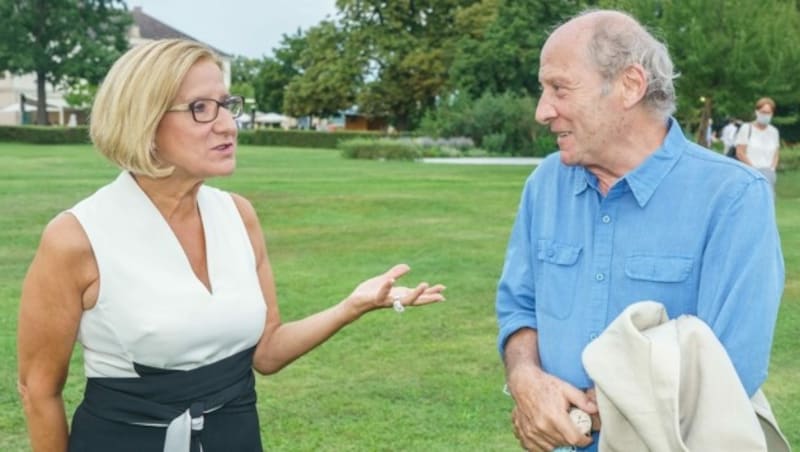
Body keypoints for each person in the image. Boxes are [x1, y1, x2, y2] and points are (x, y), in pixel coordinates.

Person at [17, 39, 446, 452]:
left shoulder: (239, 215)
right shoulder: (78, 237)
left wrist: (353, 305)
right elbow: (38, 391)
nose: (227, 124)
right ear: (143, 121)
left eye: (227, 105)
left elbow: (268, 351)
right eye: (201, 109)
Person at [495, 9, 783, 452]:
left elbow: (731, 365)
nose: (542, 111)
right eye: (542, 90)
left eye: (559, 88)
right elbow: (519, 308)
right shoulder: (545, 185)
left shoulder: (733, 196)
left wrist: (581, 414)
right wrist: (525, 378)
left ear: (629, 85)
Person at [736, 97, 781, 193]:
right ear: (757, 112)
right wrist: (754, 169)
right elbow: (740, 152)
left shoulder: (774, 132)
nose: (765, 115)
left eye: (768, 113)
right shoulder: (746, 128)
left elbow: (776, 153)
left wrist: (772, 169)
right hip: (750, 173)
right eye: (763, 112)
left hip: (768, 173)